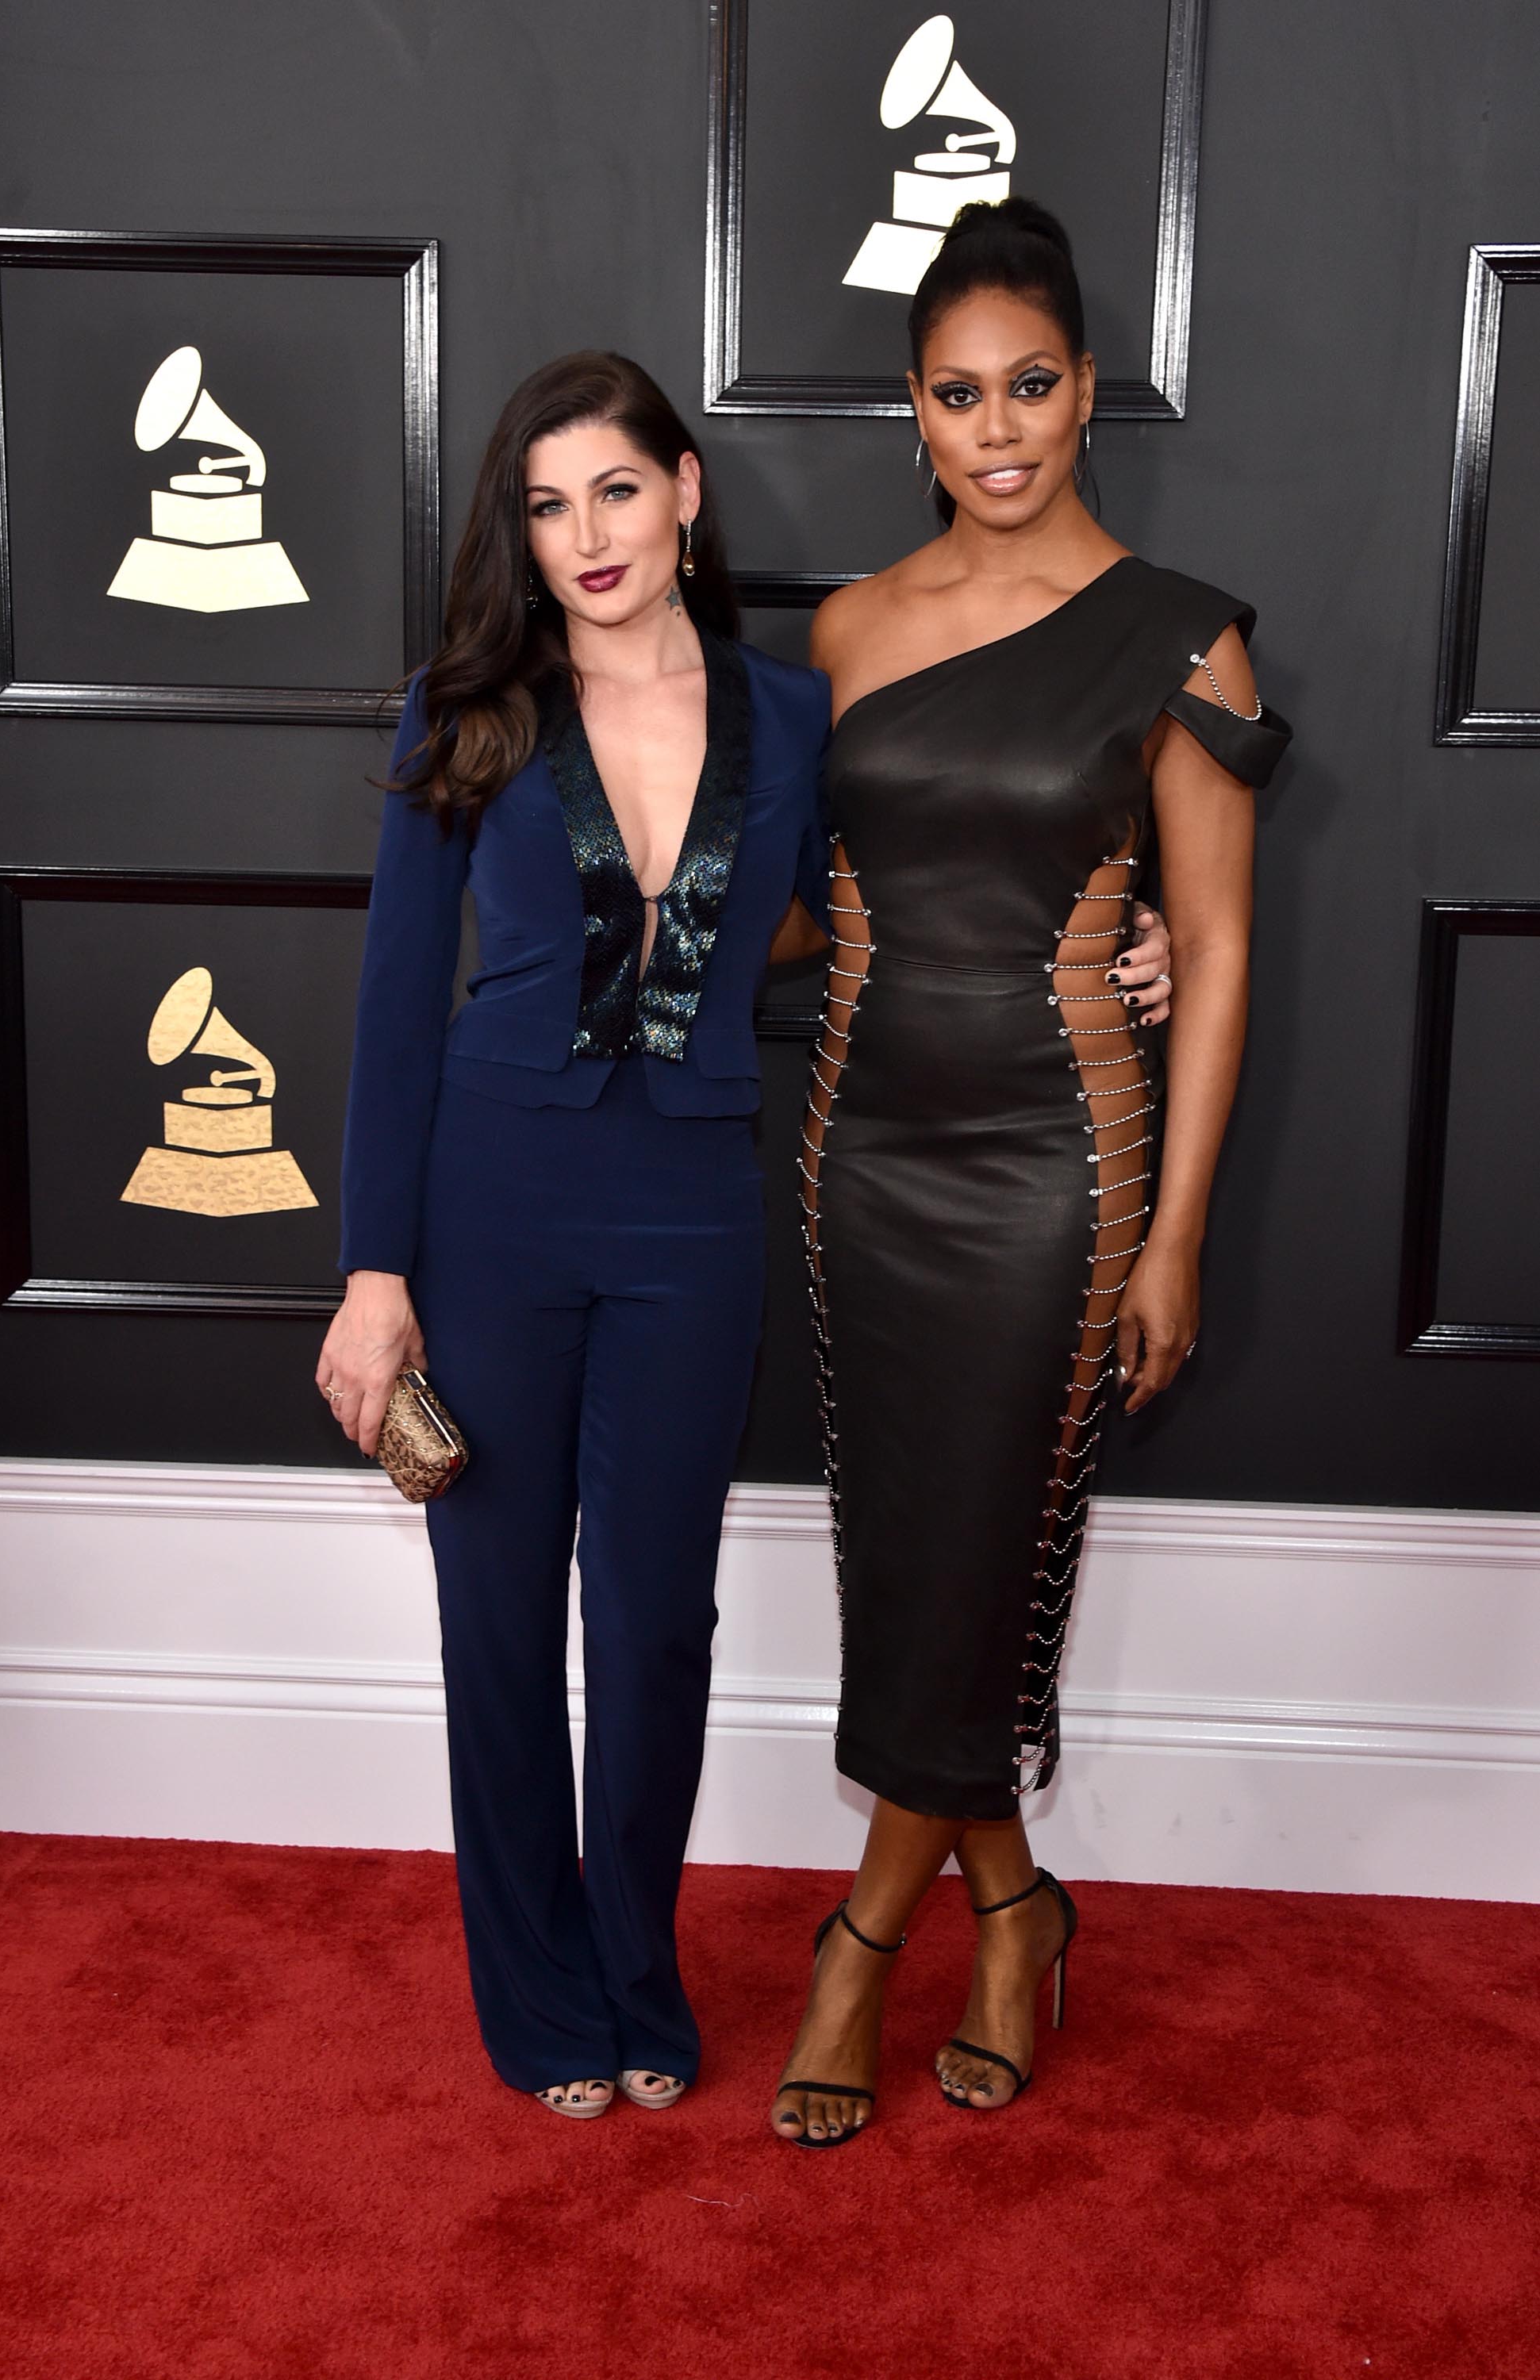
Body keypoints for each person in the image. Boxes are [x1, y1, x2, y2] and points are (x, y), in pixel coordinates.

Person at [319, 348, 1173, 2123]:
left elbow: (917, 885)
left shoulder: (794, 716)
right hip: (489, 1206)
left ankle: (641, 1971)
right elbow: (399, 1006)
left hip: (692, 1210)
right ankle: (539, 1995)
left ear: (686, 489)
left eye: (615, 491)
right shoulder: (458, 704)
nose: (584, 536)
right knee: (495, 1620)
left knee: (651, 1623)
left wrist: (1122, 942)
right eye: (545, 507)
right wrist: (375, 1276)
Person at [770, 197, 1292, 2148]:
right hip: (859, 1153)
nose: (999, 427)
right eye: (958, 393)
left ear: (1090, 396)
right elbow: (832, 912)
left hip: (1057, 1166)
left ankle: (858, 1945)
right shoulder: (844, 630)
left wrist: (1176, 1242)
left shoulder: (1184, 635)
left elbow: (1220, 948)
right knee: (918, 1563)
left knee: (984, 1555)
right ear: (912, 411)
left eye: (1035, 385)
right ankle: (1017, 1904)